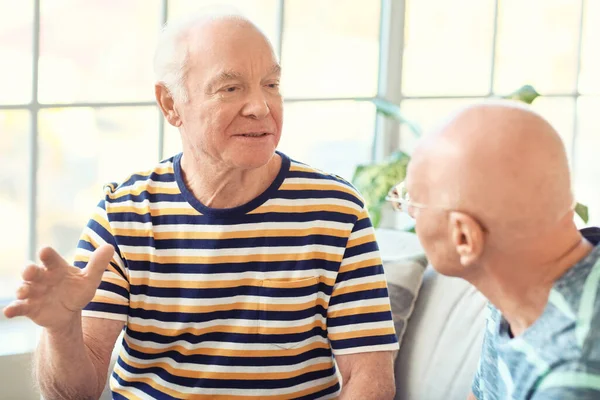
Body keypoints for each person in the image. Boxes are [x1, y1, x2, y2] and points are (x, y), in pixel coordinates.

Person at [2, 12, 398, 400]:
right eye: (231, 88)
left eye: (271, 84)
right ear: (170, 103)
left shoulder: (337, 211)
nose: (261, 106)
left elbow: (370, 380)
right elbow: (75, 393)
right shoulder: (124, 214)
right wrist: (62, 329)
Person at [388, 101, 600, 400]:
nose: (408, 211)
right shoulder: (518, 283)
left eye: (413, 201)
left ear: (464, 238)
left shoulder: (571, 379)